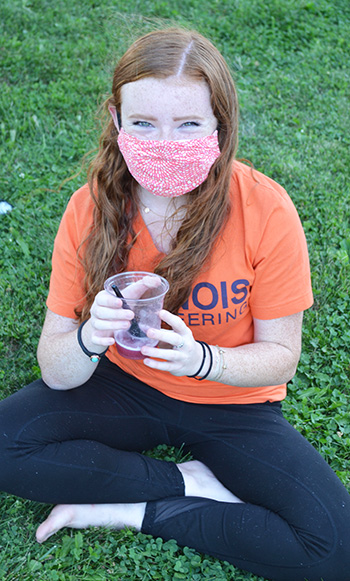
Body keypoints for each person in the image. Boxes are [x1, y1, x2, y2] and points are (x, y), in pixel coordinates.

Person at [0, 27, 349, 581]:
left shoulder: (266, 210)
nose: (165, 142)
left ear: (220, 127)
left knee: (334, 549)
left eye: (188, 123)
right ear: (117, 122)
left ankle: (131, 508)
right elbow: (58, 371)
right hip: (125, 383)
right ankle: (193, 482)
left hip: (233, 400)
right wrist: (91, 335)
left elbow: (281, 355)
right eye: (143, 123)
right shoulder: (89, 211)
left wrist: (203, 361)